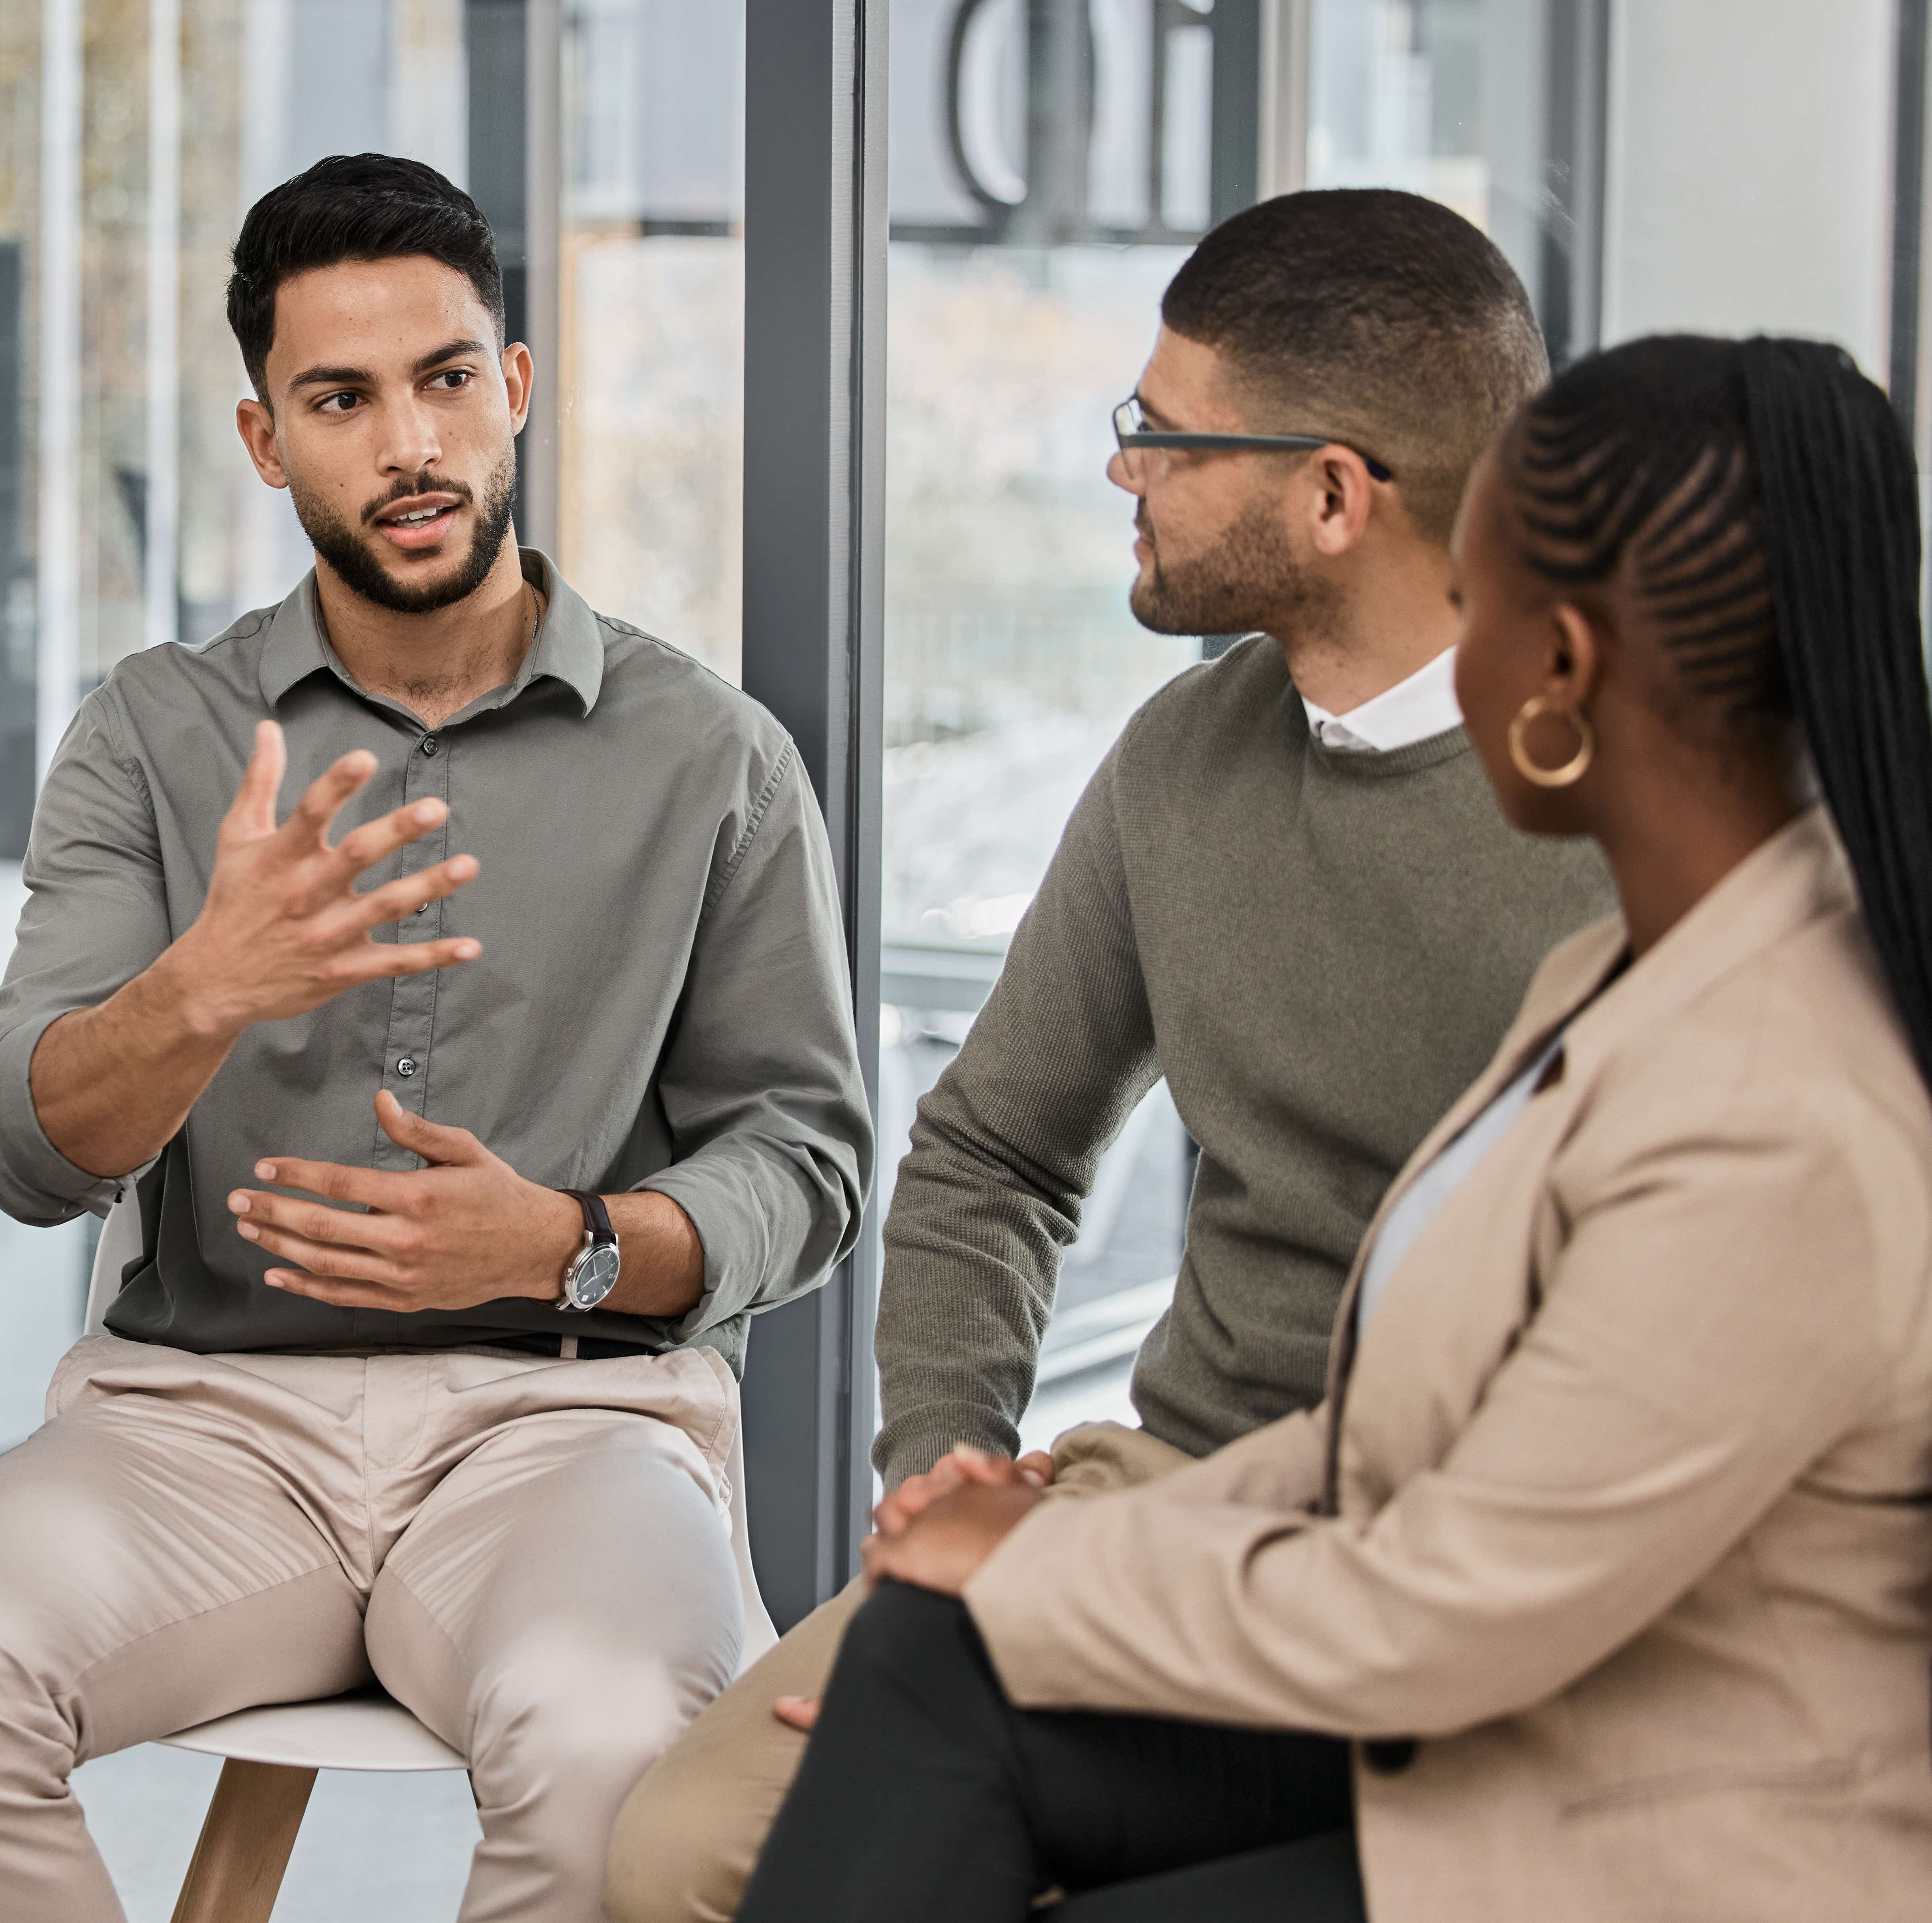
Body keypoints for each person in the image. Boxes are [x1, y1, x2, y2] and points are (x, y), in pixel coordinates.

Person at [741, 334, 1932, 1919]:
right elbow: (1380, 1453)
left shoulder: (1779, 1111)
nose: (1457, 652)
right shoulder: (1630, 970)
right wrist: (982, 1536)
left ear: (1563, 668)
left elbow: (1446, 1607)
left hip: (1623, 1814)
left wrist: (1039, 1574)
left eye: (1483, 607)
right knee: (926, 1661)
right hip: (1477, 1689)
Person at [0, 152, 872, 1923]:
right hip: (199, 1422)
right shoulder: (153, 736)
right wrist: (204, 989)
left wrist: (574, 1246)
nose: (408, 443)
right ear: (266, 441)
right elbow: (21, 1157)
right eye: (341, 398)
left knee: (616, 1733)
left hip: (563, 1428)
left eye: (447, 380)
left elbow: (811, 1158)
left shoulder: (713, 756)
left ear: (518, 389)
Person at [608, 187, 1616, 1922]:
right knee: (683, 1854)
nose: (1119, 470)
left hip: (1470, 1553)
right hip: (1165, 1486)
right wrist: (946, 1458)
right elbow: (998, 1148)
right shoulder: (1182, 761)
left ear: (1330, 494)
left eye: (1161, 434)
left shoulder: (1630, 819)